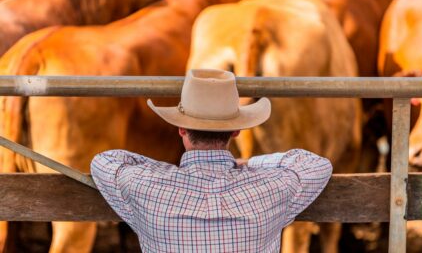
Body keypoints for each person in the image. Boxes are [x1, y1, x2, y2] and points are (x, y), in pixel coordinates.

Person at [91, 69, 333, 252]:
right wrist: (250, 163)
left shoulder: (143, 186)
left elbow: (105, 161)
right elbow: (316, 165)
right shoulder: (271, 188)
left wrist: (168, 170)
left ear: (181, 130)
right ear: (236, 131)